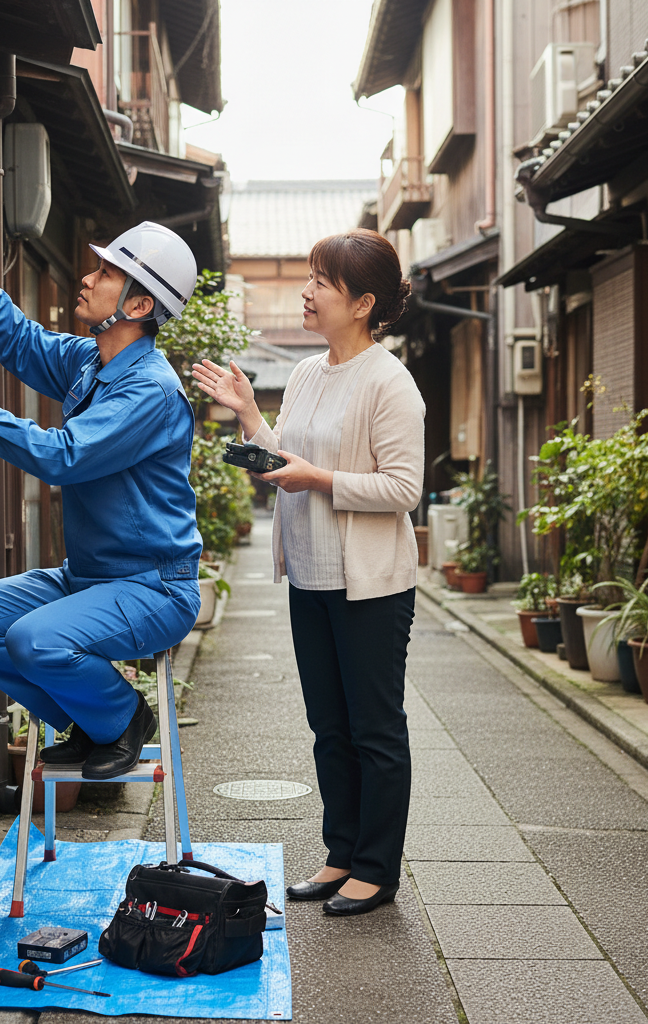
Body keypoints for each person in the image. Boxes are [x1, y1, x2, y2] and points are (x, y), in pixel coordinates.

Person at [0, 221, 203, 781]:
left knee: (33, 638)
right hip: (88, 577)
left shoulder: (150, 391)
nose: (88, 279)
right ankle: (87, 722)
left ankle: (122, 718)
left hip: (155, 588)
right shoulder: (91, 361)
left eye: (106, 273)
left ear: (139, 304)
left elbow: (61, 456)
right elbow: (21, 342)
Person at [192, 229, 424, 916]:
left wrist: (318, 477)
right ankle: (341, 853)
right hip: (311, 576)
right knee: (329, 725)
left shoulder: (390, 381)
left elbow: (403, 489)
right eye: (311, 277)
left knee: (374, 729)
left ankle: (376, 871)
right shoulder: (302, 372)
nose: (307, 290)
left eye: (323, 281)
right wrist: (250, 417)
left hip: (371, 584)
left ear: (363, 303)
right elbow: (282, 460)